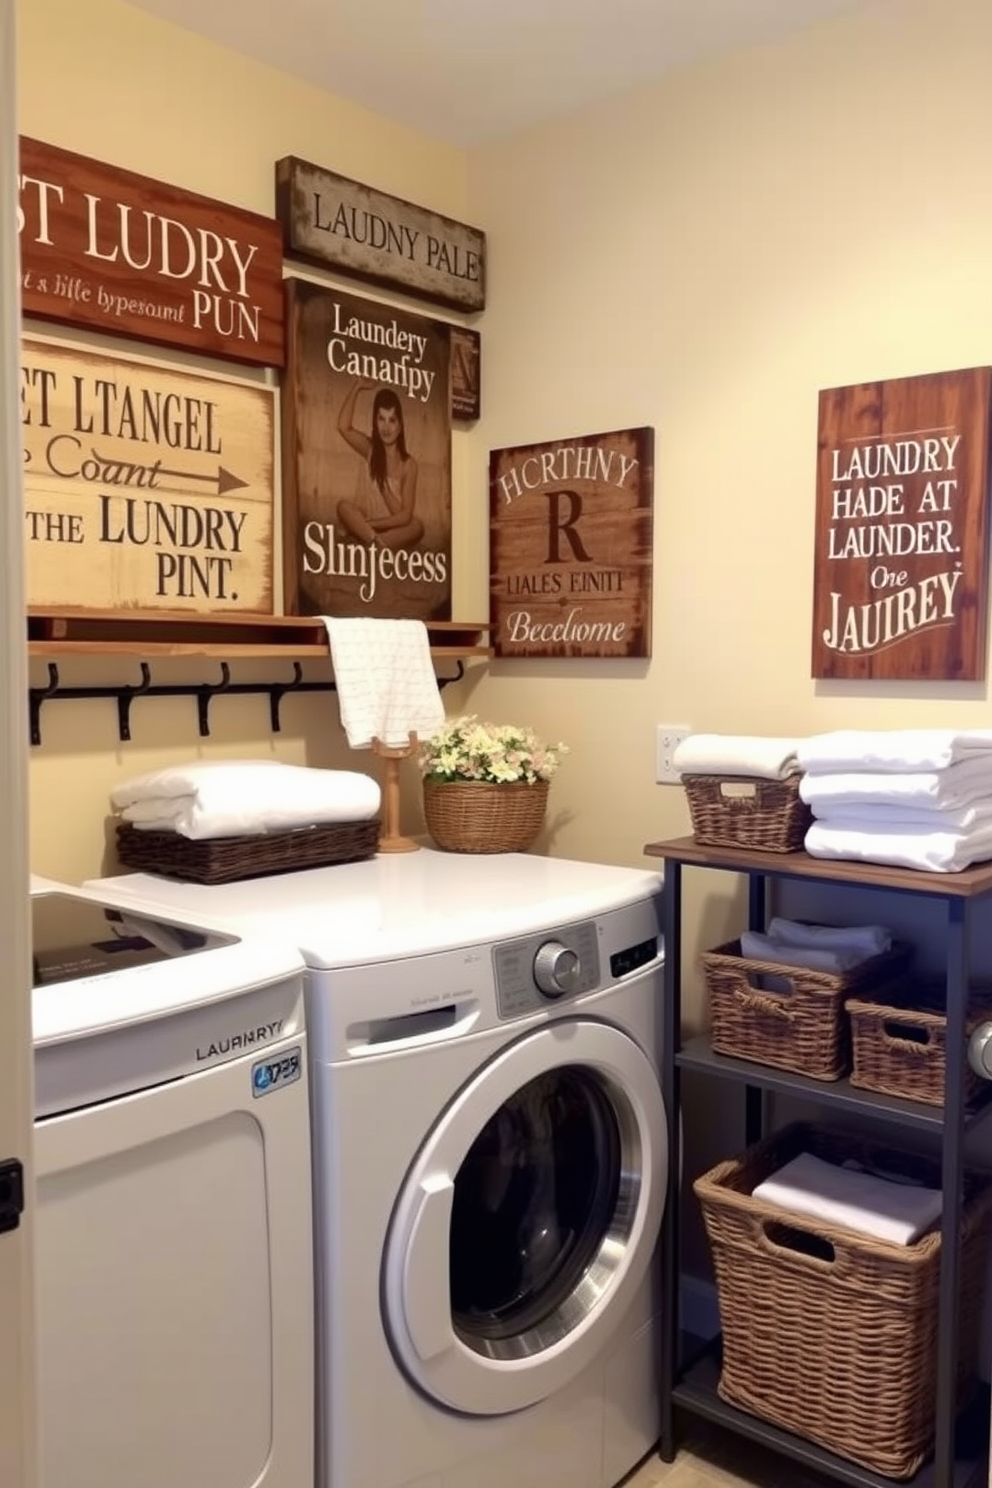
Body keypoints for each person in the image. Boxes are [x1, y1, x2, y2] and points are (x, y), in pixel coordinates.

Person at [335, 378, 424, 548]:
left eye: (392, 420)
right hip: (368, 522)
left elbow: (404, 516)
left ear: (400, 425)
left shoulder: (409, 464)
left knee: (417, 526)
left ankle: (370, 539)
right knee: (343, 507)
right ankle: (375, 542)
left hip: (385, 526)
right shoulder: (369, 449)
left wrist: (383, 487)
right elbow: (343, 427)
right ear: (375, 422)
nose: (386, 427)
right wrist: (357, 387)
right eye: (381, 419)